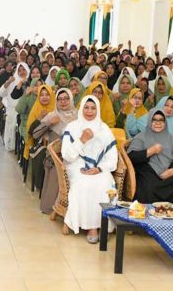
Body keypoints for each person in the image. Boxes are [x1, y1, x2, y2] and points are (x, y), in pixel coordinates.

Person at [61, 95, 117, 243]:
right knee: (84, 184)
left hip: (99, 167)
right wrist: (82, 140)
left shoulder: (103, 128)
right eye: (86, 107)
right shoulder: (72, 127)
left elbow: (112, 158)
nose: (89, 111)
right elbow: (67, 155)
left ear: (98, 109)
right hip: (76, 164)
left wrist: (99, 169)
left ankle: (104, 225)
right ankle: (91, 227)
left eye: (93, 108)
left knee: (106, 184)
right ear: (81, 108)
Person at [127, 109, 173, 203]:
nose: (158, 123)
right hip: (147, 171)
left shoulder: (171, 138)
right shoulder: (141, 137)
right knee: (149, 188)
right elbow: (132, 156)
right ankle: (150, 214)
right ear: (149, 121)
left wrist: (172, 171)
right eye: (154, 120)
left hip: (168, 172)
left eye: (161, 120)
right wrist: (151, 151)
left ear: (165, 122)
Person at [34, 88, 78, 213]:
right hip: (56, 157)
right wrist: (48, 123)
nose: (63, 102)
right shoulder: (52, 115)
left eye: (66, 98)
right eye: (60, 99)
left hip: (75, 156)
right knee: (55, 175)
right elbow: (35, 134)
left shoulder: (78, 116)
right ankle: (51, 208)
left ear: (71, 99)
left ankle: (72, 211)